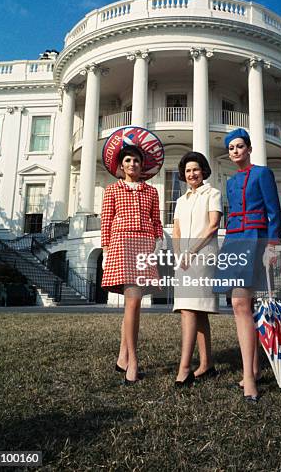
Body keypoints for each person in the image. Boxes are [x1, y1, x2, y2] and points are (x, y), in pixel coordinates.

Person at [212, 128, 281, 402]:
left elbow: (274, 211)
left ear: (249, 149)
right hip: (234, 241)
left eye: (240, 146)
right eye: (231, 148)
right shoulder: (230, 182)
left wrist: (273, 245)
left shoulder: (262, 173)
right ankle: (250, 369)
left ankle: (250, 378)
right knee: (239, 305)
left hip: (256, 238)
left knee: (243, 304)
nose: (235, 151)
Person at [101, 144, 163, 384]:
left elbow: (156, 220)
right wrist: (106, 250)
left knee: (132, 303)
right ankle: (133, 361)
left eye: (136, 161)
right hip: (121, 243)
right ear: (121, 165)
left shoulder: (151, 191)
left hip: (145, 243)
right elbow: (106, 221)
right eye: (128, 160)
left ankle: (122, 357)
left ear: (142, 165)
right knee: (133, 301)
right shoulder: (112, 190)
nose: (132, 164)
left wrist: (158, 241)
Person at [172, 152, 223, 387]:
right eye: (187, 170)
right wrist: (178, 254)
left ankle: (184, 368)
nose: (191, 174)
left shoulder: (212, 193)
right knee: (196, 310)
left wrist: (191, 251)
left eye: (196, 169)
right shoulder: (182, 200)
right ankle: (207, 364)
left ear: (203, 170)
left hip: (203, 257)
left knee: (189, 310)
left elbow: (213, 225)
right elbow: (177, 231)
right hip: (183, 259)